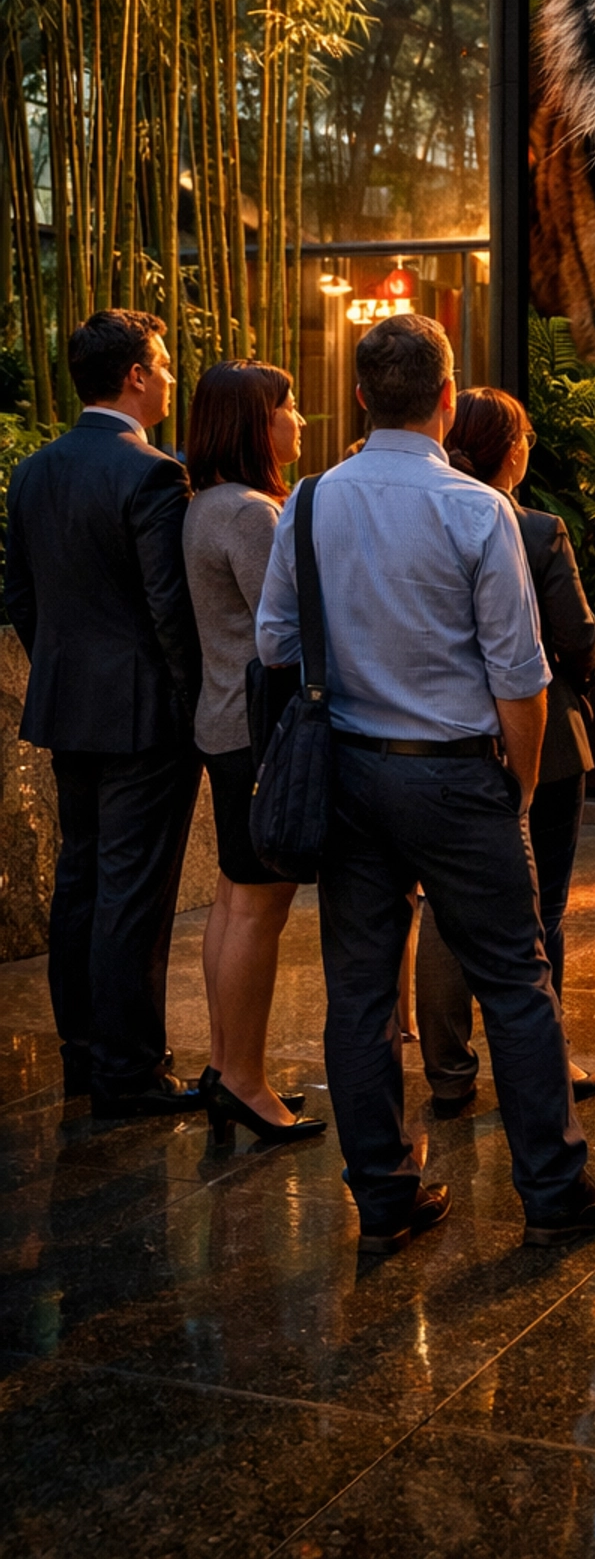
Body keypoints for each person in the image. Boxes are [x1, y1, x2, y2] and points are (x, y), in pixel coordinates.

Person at [256, 313, 595, 1253]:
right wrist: (513, 786)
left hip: (345, 773)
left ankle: (384, 1199)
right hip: (455, 775)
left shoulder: (307, 503)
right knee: (514, 978)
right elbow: (521, 671)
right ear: (443, 397)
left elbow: (271, 641)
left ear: (357, 397)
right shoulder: (478, 512)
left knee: (357, 992)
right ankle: (552, 1190)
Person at [2, 310, 204, 1116]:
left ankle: (84, 1056)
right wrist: (197, 709)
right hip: (143, 713)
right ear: (134, 377)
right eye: (162, 363)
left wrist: (63, 662)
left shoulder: (35, 470)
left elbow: (20, 596)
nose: (169, 377)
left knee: (79, 879)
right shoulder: (152, 473)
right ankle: (129, 1069)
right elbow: (169, 612)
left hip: (66, 702)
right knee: (133, 892)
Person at [417, 386, 595, 1116]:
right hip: (542, 737)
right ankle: (542, 1065)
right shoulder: (535, 529)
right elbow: (579, 637)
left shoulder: (419, 517)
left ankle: (447, 1073)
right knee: (542, 907)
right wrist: (575, 684)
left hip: (443, 732)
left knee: (444, 901)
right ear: (514, 451)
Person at [183, 360, 325, 1147]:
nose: (299, 420)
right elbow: (289, 628)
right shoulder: (250, 514)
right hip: (257, 728)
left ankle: (225, 1065)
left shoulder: (204, 503)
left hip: (221, 722)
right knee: (258, 908)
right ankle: (245, 1079)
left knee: (234, 897)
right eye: (288, 406)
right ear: (253, 424)